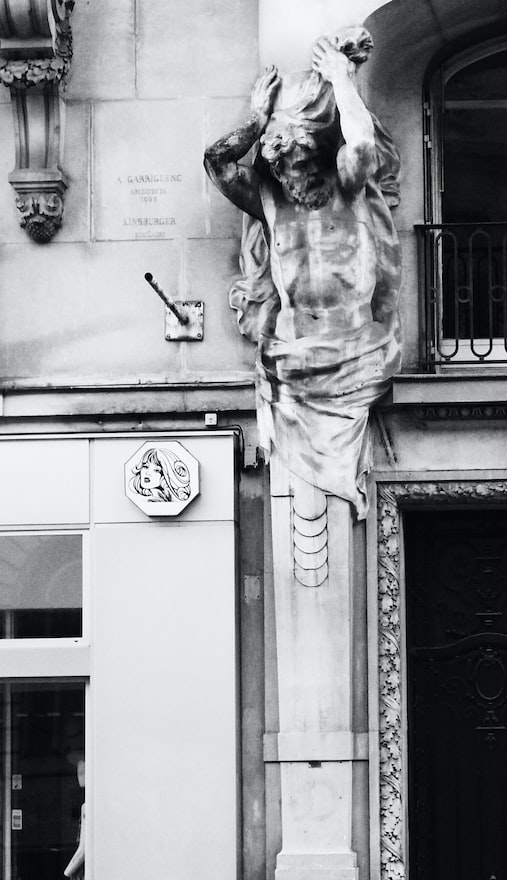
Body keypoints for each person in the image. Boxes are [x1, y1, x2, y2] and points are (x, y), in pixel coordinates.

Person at [204, 27, 401, 518]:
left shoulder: (346, 186)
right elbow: (217, 162)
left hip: (356, 354)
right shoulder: (268, 198)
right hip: (289, 361)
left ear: (315, 152)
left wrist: (342, 79)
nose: (293, 175)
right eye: (282, 163)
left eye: (300, 160)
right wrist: (256, 118)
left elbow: (361, 148)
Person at [128, 445, 193, 503]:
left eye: (156, 470)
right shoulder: (142, 500)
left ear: (165, 476)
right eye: (145, 467)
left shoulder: (166, 499)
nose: (147, 473)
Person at [63, 751, 86, 880]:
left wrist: (67, 872)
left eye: (83, 770)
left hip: (82, 869)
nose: (80, 775)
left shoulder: (88, 807)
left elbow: (83, 849)